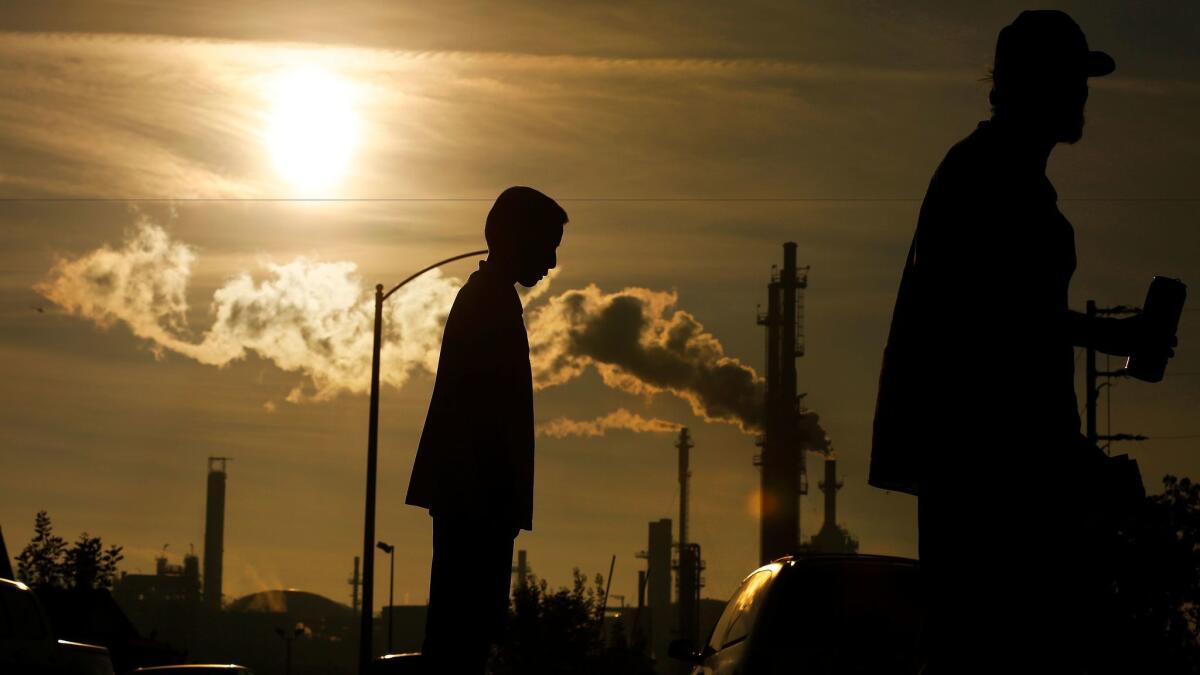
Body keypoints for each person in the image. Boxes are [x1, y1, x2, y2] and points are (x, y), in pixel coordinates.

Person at [869, 11, 1175, 674]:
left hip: (986, 478)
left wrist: (1104, 336)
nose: (1084, 95)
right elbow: (998, 344)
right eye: (1074, 80)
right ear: (1038, 85)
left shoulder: (992, 174)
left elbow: (1007, 320)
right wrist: (1078, 463)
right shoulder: (993, 180)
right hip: (996, 490)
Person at [406, 186, 566, 674]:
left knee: (463, 635)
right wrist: (498, 502)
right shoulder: (487, 304)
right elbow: (483, 418)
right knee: (462, 637)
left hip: (477, 501)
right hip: (477, 503)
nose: (553, 262)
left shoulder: (489, 301)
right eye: (548, 244)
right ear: (517, 238)